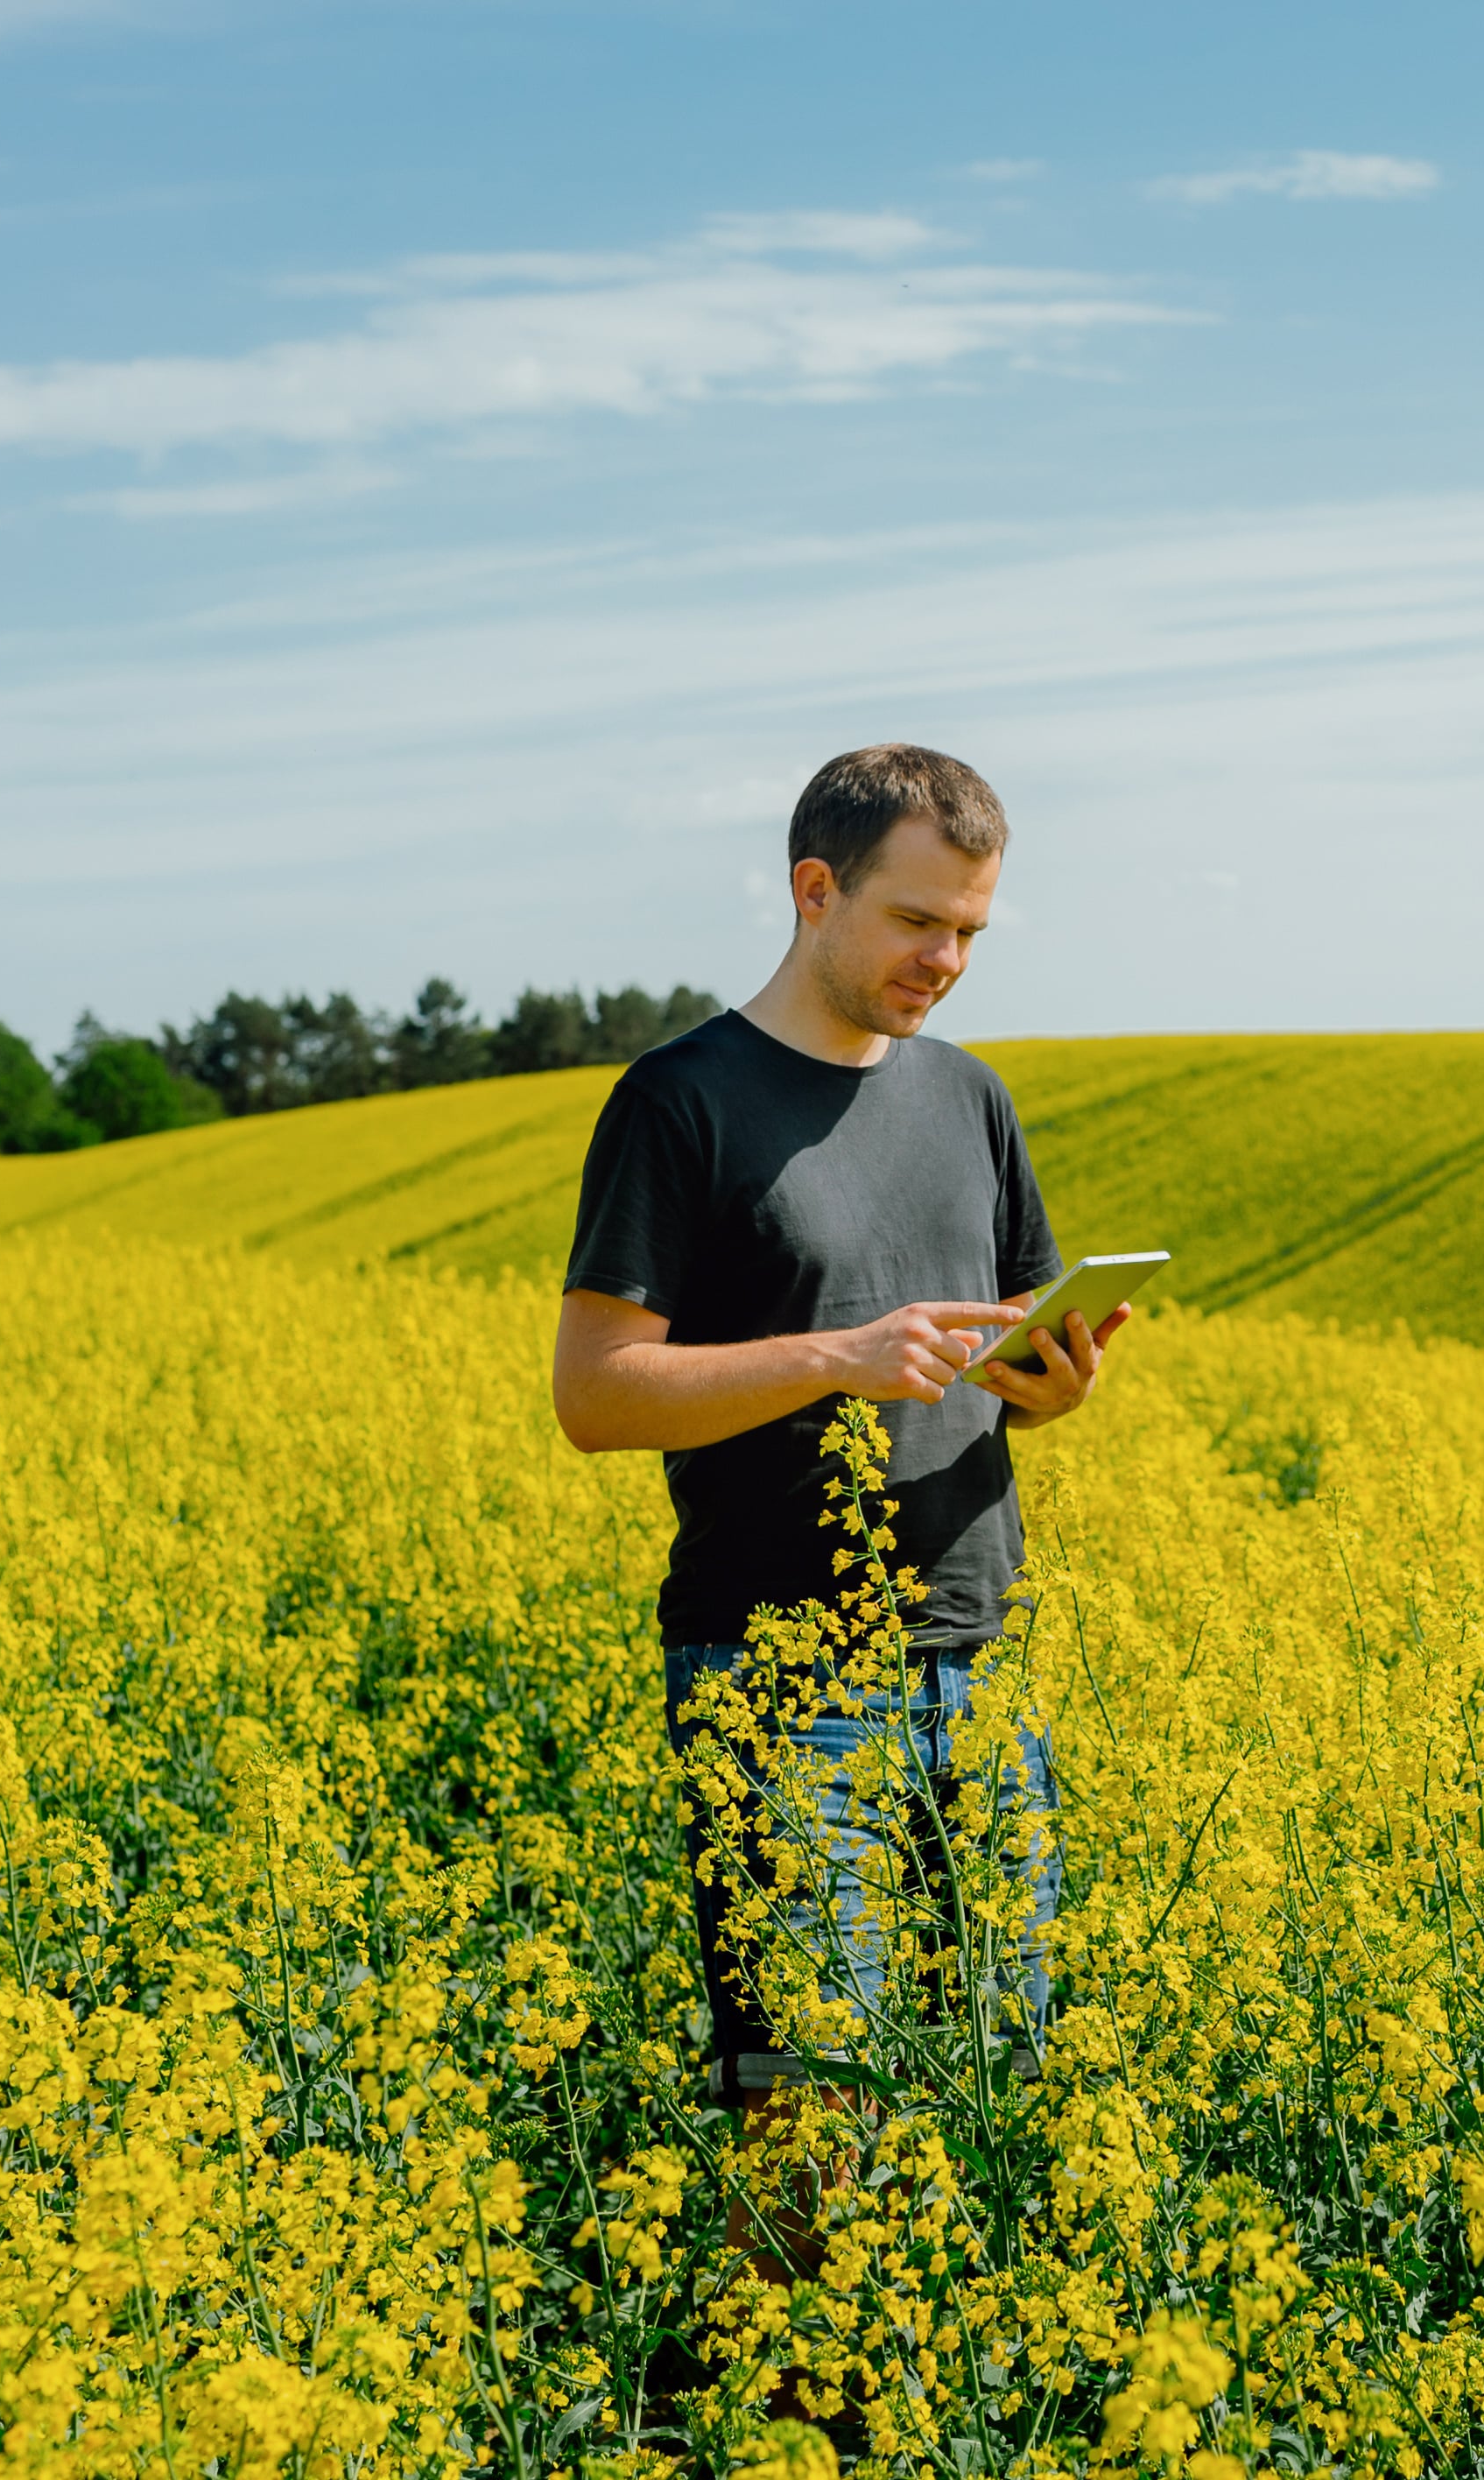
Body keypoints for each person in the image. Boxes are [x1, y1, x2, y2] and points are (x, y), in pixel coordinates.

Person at [551, 742, 1124, 2110]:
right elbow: (595, 1393)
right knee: (811, 2105)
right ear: (815, 890)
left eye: (971, 931)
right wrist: (841, 1358)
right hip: (782, 1686)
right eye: (918, 921)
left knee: (996, 2097)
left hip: (979, 1665)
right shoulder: (680, 1103)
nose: (948, 962)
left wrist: (1053, 1386)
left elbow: (998, 1342)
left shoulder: (970, 1098)